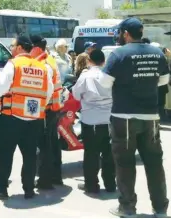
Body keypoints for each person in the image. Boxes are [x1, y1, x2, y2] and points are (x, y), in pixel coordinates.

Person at [99, 17, 170, 217]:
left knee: (125, 164)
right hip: (151, 117)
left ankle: (127, 208)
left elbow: (104, 83)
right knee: (154, 163)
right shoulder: (157, 53)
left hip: (124, 117)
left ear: (126, 34)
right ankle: (160, 208)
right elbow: (163, 80)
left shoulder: (118, 54)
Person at [0, 36, 53, 200]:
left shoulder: (13, 64)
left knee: (5, 154)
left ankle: (1, 189)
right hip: (33, 120)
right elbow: (49, 91)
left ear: (21, 47)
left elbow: (1, 87)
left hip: (12, 118)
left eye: (13, 45)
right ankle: (29, 190)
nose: (12, 48)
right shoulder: (43, 68)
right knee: (30, 156)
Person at [72, 49, 115, 194]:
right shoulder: (109, 74)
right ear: (104, 61)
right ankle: (110, 185)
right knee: (109, 154)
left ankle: (92, 186)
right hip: (110, 120)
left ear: (89, 60)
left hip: (91, 121)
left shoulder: (85, 76)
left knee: (91, 154)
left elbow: (76, 95)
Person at [29, 35, 64, 190]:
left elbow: (48, 89)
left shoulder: (44, 64)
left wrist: (40, 106)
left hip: (47, 109)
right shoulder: (49, 60)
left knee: (45, 146)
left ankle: (45, 180)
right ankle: (55, 177)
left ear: (36, 48)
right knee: (52, 143)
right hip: (54, 108)